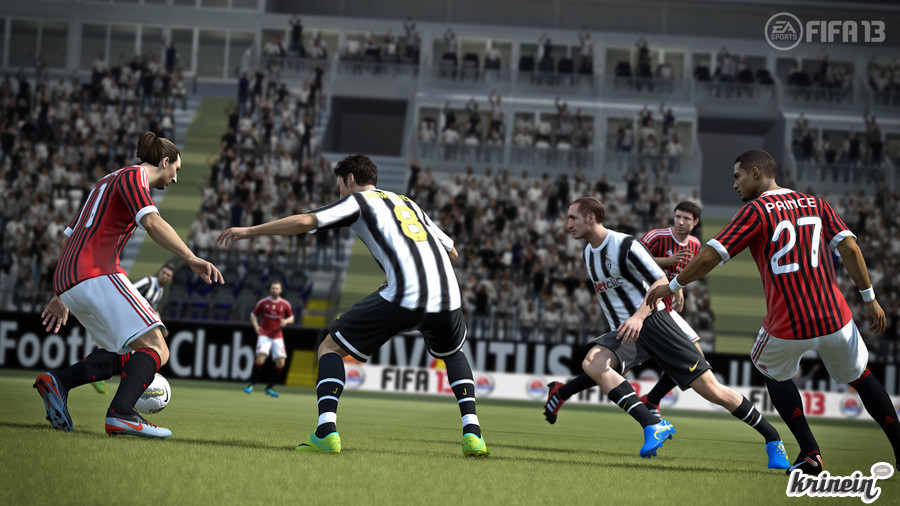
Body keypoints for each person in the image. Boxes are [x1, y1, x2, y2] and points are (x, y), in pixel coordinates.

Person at [646, 149, 900, 475]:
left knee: (768, 369)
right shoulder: (816, 203)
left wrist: (673, 285)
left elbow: (710, 256)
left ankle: (810, 453)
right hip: (836, 318)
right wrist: (869, 298)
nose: (734, 185)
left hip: (788, 323)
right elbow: (850, 247)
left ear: (756, 173)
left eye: (737, 176)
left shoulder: (755, 212)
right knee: (862, 377)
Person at [217, 154, 488, 456]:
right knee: (453, 353)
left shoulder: (358, 201)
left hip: (406, 294)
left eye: (339, 188)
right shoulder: (409, 203)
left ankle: (326, 432)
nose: (339, 195)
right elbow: (452, 254)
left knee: (329, 348)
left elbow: (306, 221)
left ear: (349, 179)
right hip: (448, 295)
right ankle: (473, 435)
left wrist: (250, 231)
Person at [543, 197, 788, 467]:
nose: (568, 224)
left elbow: (660, 280)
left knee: (711, 389)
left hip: (654, 322)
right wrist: (628, 323)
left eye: (573, 218)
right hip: (626, 331)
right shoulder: (589, 253)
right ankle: (651, 424)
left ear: (590, 218)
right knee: (593, 362)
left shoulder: (625, 244)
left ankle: (773, 438)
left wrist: (639, 316)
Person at [35, 132, 224, 439]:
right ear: (164, 162)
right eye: (176, 169)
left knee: (122, 352)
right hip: (96, 272)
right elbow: (152, 222)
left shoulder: (105, 181)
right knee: (157, 347)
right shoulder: (134, 176)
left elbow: (67, 240)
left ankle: (59, 382)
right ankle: (121, 413)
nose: (175, 178)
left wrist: (60, 293)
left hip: (69, 279)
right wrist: (191, 258)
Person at [90, 263, 175, 395]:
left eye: (168, 275)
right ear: (159, 272)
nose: (164, 276)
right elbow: (128, 291)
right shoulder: (148, 281)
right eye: (164, 272)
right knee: (126, 350)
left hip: (136, 323)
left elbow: (153, 310)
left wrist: (161, 325)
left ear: (170, 279)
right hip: (125, 317)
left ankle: (99, 374)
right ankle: (96, 372)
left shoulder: (160, 291)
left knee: (125, 350)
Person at [245, 281, 294, 397]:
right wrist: (256, 326)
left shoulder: (285, 304)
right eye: (273, 288)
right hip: (264, 334)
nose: (274, 290)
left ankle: (269, 387)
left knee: (281, 363)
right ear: (270, 289)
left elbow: (291, 318)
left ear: (280, 290)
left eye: (277, 288)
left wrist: (286, 321)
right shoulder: (263, 302)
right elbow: (253, 315)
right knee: (260, 360)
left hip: (277, 336)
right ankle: (251, 383)